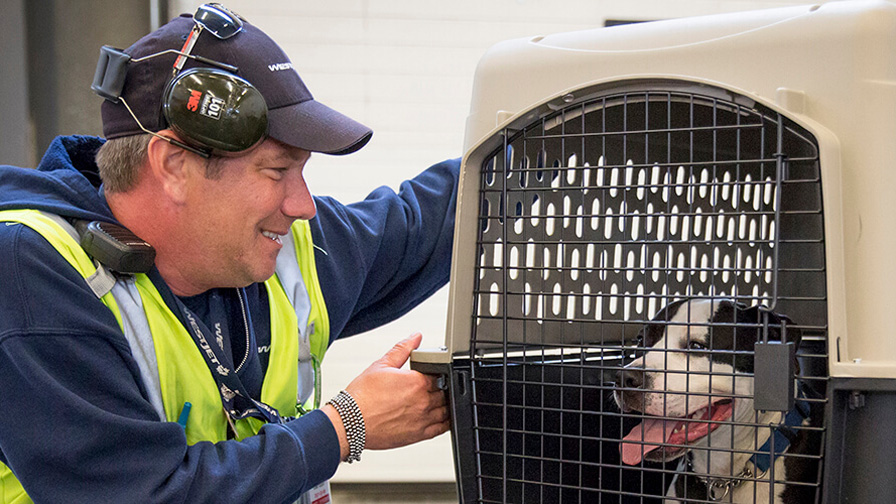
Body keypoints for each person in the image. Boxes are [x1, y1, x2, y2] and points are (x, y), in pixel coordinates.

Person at [0, 4, 457, 503]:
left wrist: (540, 127)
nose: (302, 206)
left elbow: (429, 219)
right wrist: (343, 428)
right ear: (174, 165)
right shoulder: (34, 271)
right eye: (276, 170)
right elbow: (143, 492)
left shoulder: (284, 248)